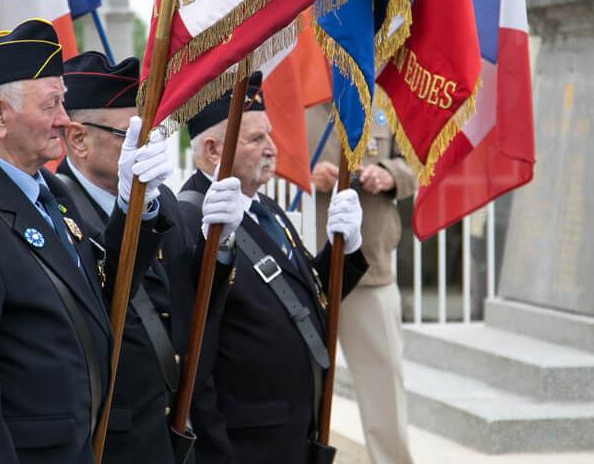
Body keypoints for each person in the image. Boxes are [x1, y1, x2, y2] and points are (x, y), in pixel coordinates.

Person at [0, 19, 171, 464]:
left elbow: (98, 295)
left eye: (63, 102)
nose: (65, 120)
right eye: (52, 105)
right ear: (0, 115)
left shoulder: (47, 191)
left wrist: (134, 206)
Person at [56, 51, 244, 462]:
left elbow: (194, 305)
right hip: (111, 437)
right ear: (78, 138)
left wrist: (223, 244)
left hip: (170, 427)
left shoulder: (166, 204)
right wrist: (130, 213)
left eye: (152, 134)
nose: (144, 148)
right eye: (130, 136)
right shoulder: (55, 212)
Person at [179, 73, 369, 464]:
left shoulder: (266, 209)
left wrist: (344, 251)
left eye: (269, 134)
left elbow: (305, 298)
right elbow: (196, 351)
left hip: (291, 430)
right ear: (213, 150)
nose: (272, 148)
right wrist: (214, 452)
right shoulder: (191, 218)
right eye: (255, 139)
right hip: (245, 442)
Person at [307, 102, 417, 464]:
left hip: (371, 271)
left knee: (384, 393)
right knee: (300, 389)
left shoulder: (384, 96)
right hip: (307, 273)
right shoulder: (297, 93)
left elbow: (417, 162)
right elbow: (264, 164)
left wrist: (388, 174)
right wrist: (308, 175)